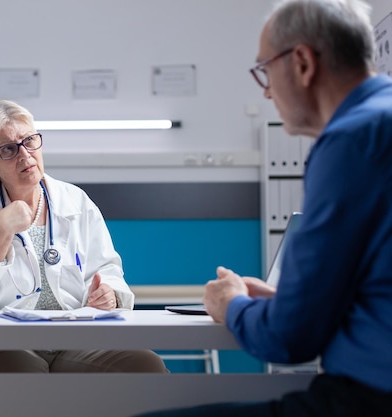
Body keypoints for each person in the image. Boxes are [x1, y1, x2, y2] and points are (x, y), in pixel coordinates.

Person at [136, 0, 392, 416]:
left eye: (266, 70)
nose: (268, 91)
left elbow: (290, 340)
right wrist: (291, 301)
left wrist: (233, 305)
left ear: (303, 63)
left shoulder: (350, 141)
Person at [0, 99, 167, 373]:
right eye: (8, 149)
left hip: (73, 338)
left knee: (145, 365)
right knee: (23, 372)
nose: (25, 155)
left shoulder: (76, 201)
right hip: (2, 341)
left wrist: (110, 293)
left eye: (30, 141)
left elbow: (107, 268)